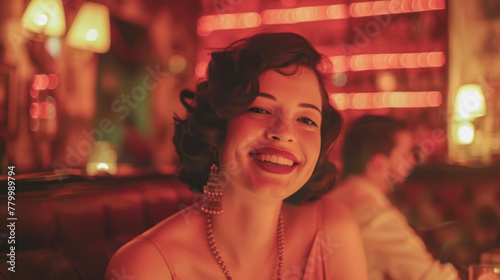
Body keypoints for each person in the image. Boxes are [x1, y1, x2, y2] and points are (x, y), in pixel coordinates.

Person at [106, 32, 368, 280]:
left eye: (306, 119)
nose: (284, 133)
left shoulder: (333, 229)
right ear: (217, 127)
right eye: (260, 109)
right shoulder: (145, 267)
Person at [324, 115, 459, 280]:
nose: (412, 161)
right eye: (406, 153)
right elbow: (431, 278)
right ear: (378, 162)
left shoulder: (329, 199)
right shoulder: (375, 216)